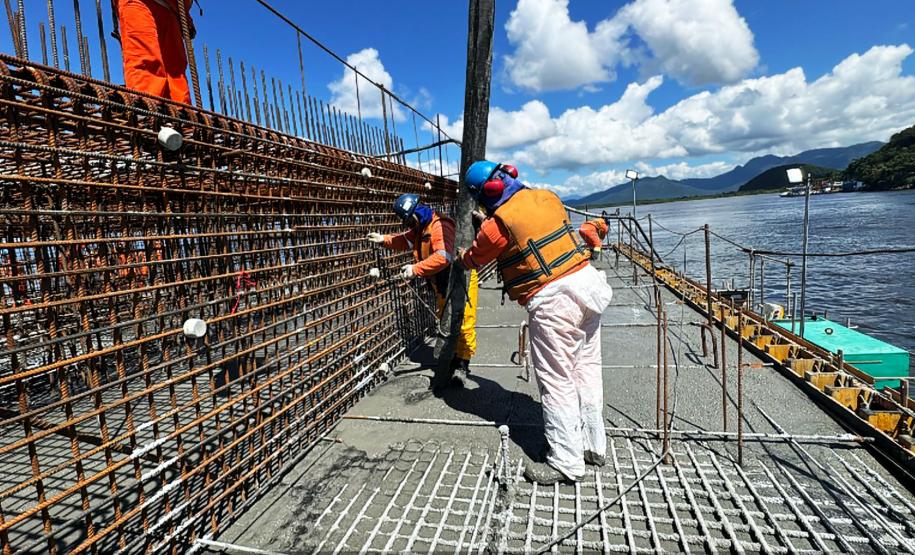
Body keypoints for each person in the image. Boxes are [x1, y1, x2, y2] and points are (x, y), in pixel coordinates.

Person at [458, 161, 613, 484]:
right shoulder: (547, 196)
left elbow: (477, 256)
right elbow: (533, 230)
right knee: (586, 367)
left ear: (485, 194)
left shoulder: (495, 226)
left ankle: (567, 463)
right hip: (587, 285)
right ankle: (594, 446)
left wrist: (464, 253)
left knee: (557, 381)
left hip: (555, 301)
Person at [367, 194, 478, 391]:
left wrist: (415, 269)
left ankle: (462, 365)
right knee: (446, 320)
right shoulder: (420, 229)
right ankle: (452, 357)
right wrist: (384, 240)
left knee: (463, 322)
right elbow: (405, 241)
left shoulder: (439, 227)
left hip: (461, 280)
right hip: (443, 282)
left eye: (410, 220)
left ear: (417, 212)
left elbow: (444, 257)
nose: (409, 225)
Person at [115, 0, 194, 103]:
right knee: (145, 60)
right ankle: (146, 110)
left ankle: (181, 112)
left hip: (172, 9)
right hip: (140, 2)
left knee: (176, 70)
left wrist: (186, 18)